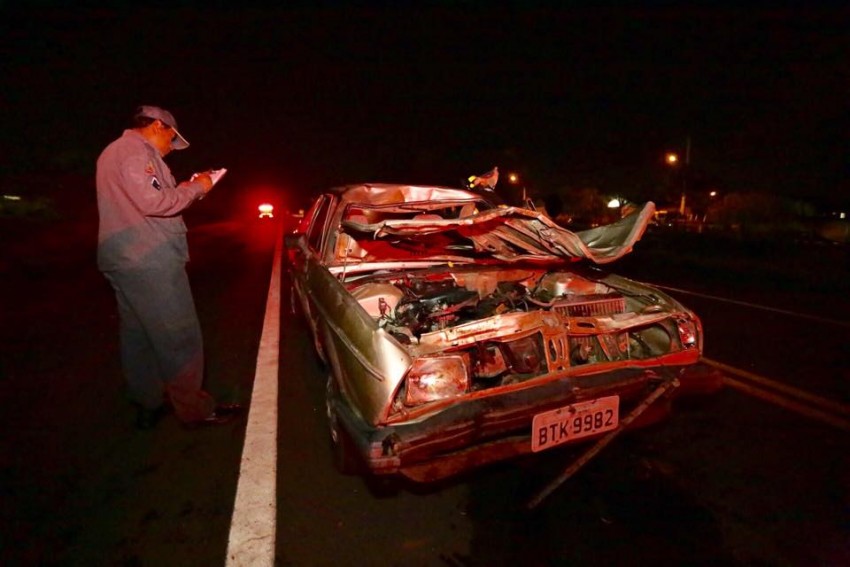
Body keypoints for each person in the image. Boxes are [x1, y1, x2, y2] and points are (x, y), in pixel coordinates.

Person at [96, 105, 240, 429]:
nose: (170, 149)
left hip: (124, 258)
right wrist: (200, 186)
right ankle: (195, 410)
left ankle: (147, 403)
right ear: (159, 126)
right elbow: (155, 202)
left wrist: (185, 189)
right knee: (179, 336)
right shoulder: (135, 153)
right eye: (171, 140)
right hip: (149, 258)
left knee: (139, 336)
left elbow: (148, 199)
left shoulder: (113, 153)